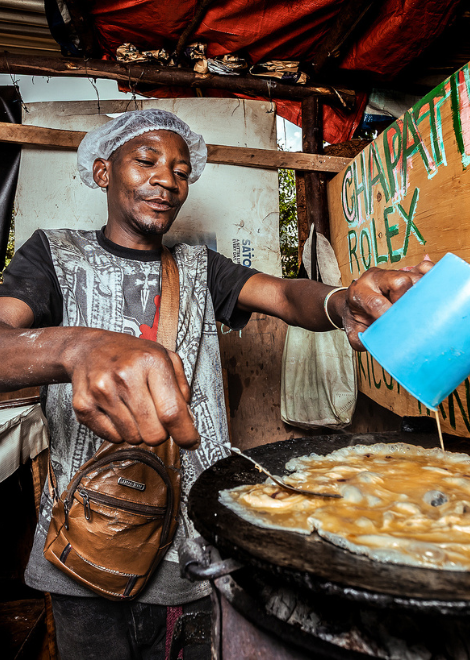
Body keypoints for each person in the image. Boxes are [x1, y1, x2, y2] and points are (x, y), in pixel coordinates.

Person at [0, 109, 432, 660]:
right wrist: (73, 346)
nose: (167, 180)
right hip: (84, 543)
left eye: (182, 171)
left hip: (190, 546)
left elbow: (283, 296)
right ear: (104, 171)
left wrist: (342, 300)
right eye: (147, 160)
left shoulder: (200, 267)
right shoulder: (53, 252)